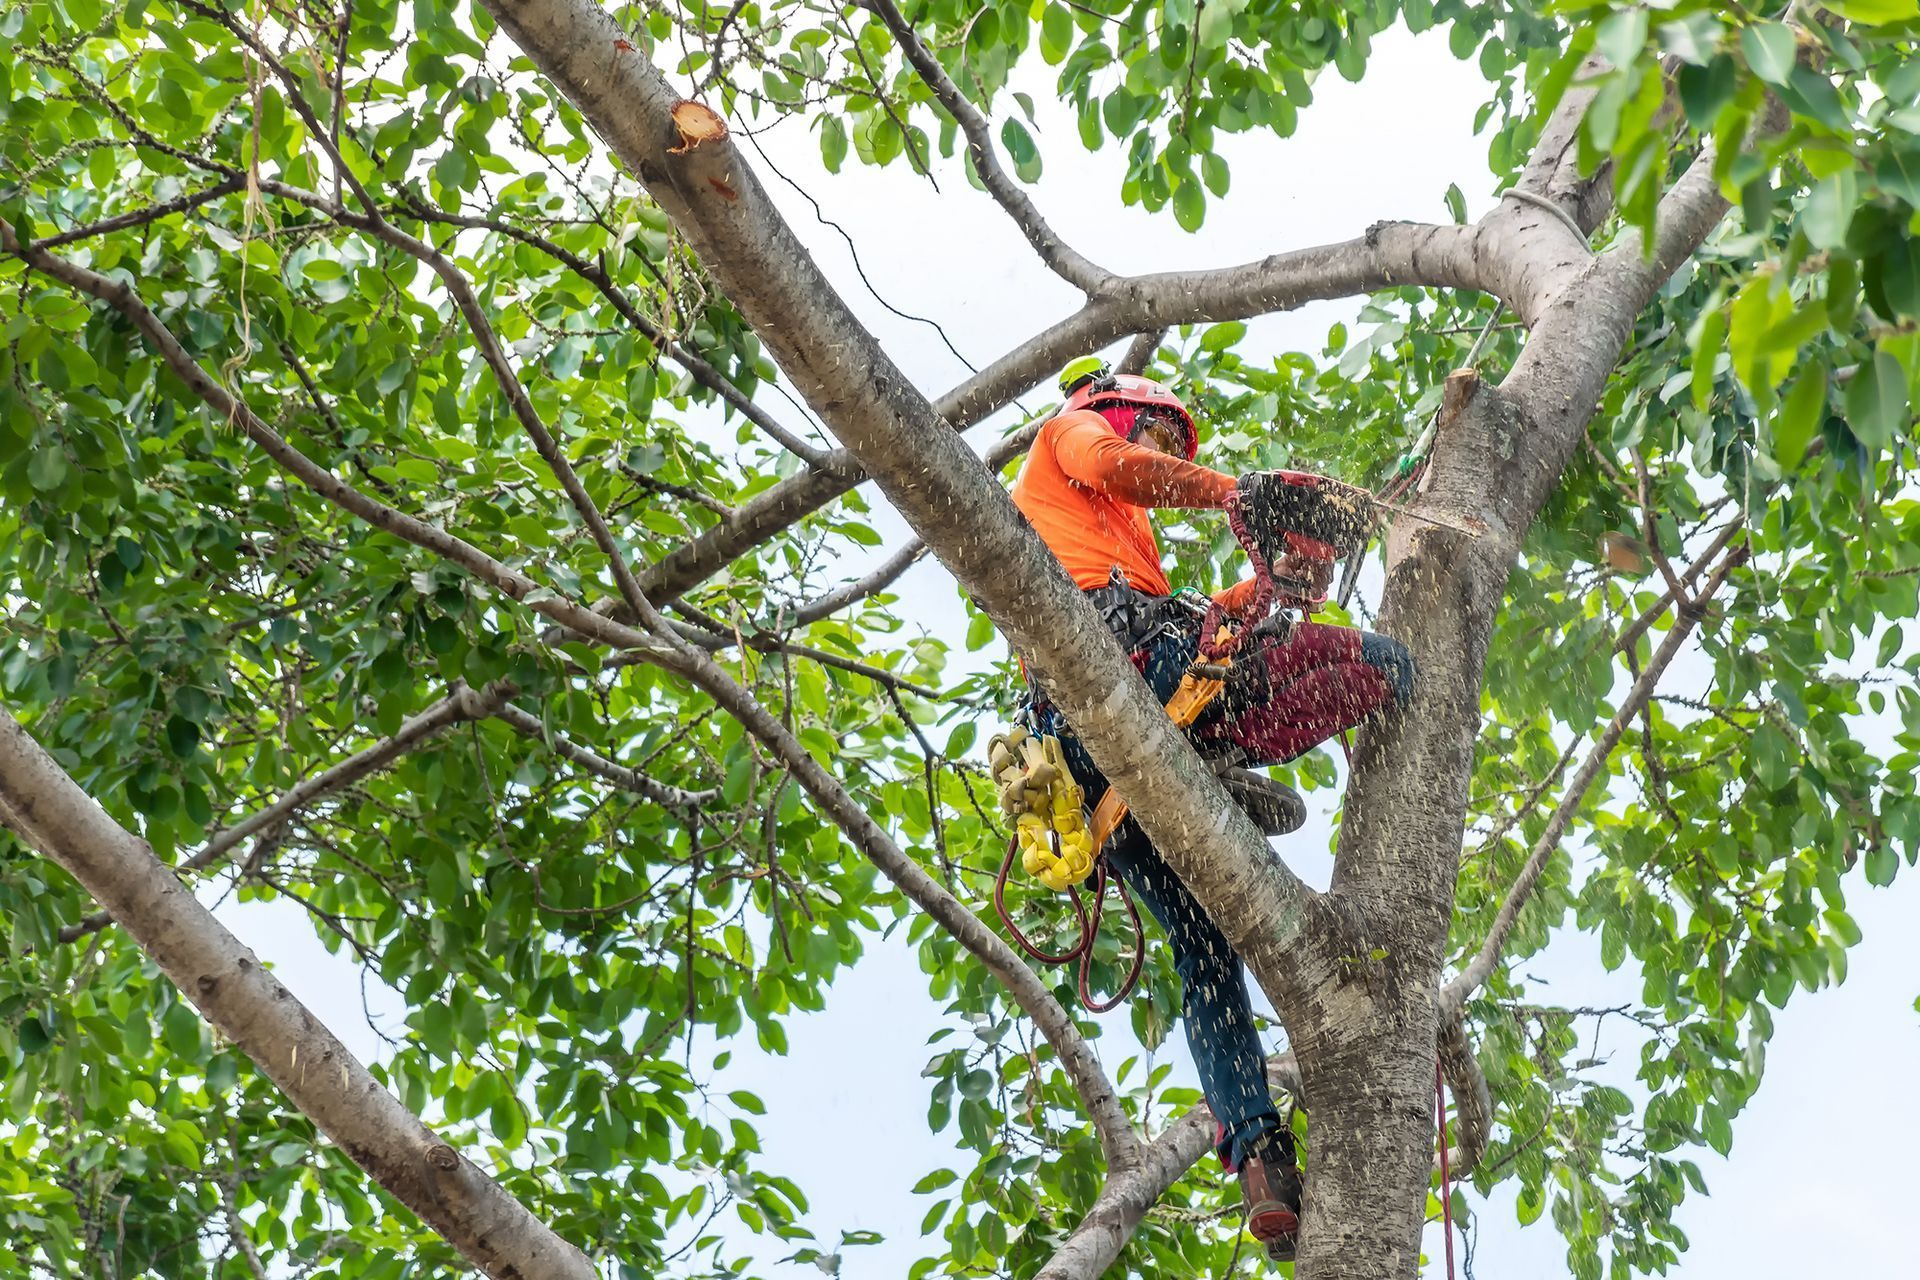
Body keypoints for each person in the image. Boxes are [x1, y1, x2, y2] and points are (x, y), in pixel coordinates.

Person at [1007, 359, 1415, 1260]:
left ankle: (1259, 1156)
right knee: (1383, 659)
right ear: (1116, 410)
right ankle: (1214, 757)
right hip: (1118, 677)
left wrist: (1274, 584)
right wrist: (1243, 493)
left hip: (1129, 746)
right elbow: (1118, 467)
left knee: (1206, 953)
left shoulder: (1128, 544)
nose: (1159, 459)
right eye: (1157, 436)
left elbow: (1207, 618)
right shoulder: (1071, 437)